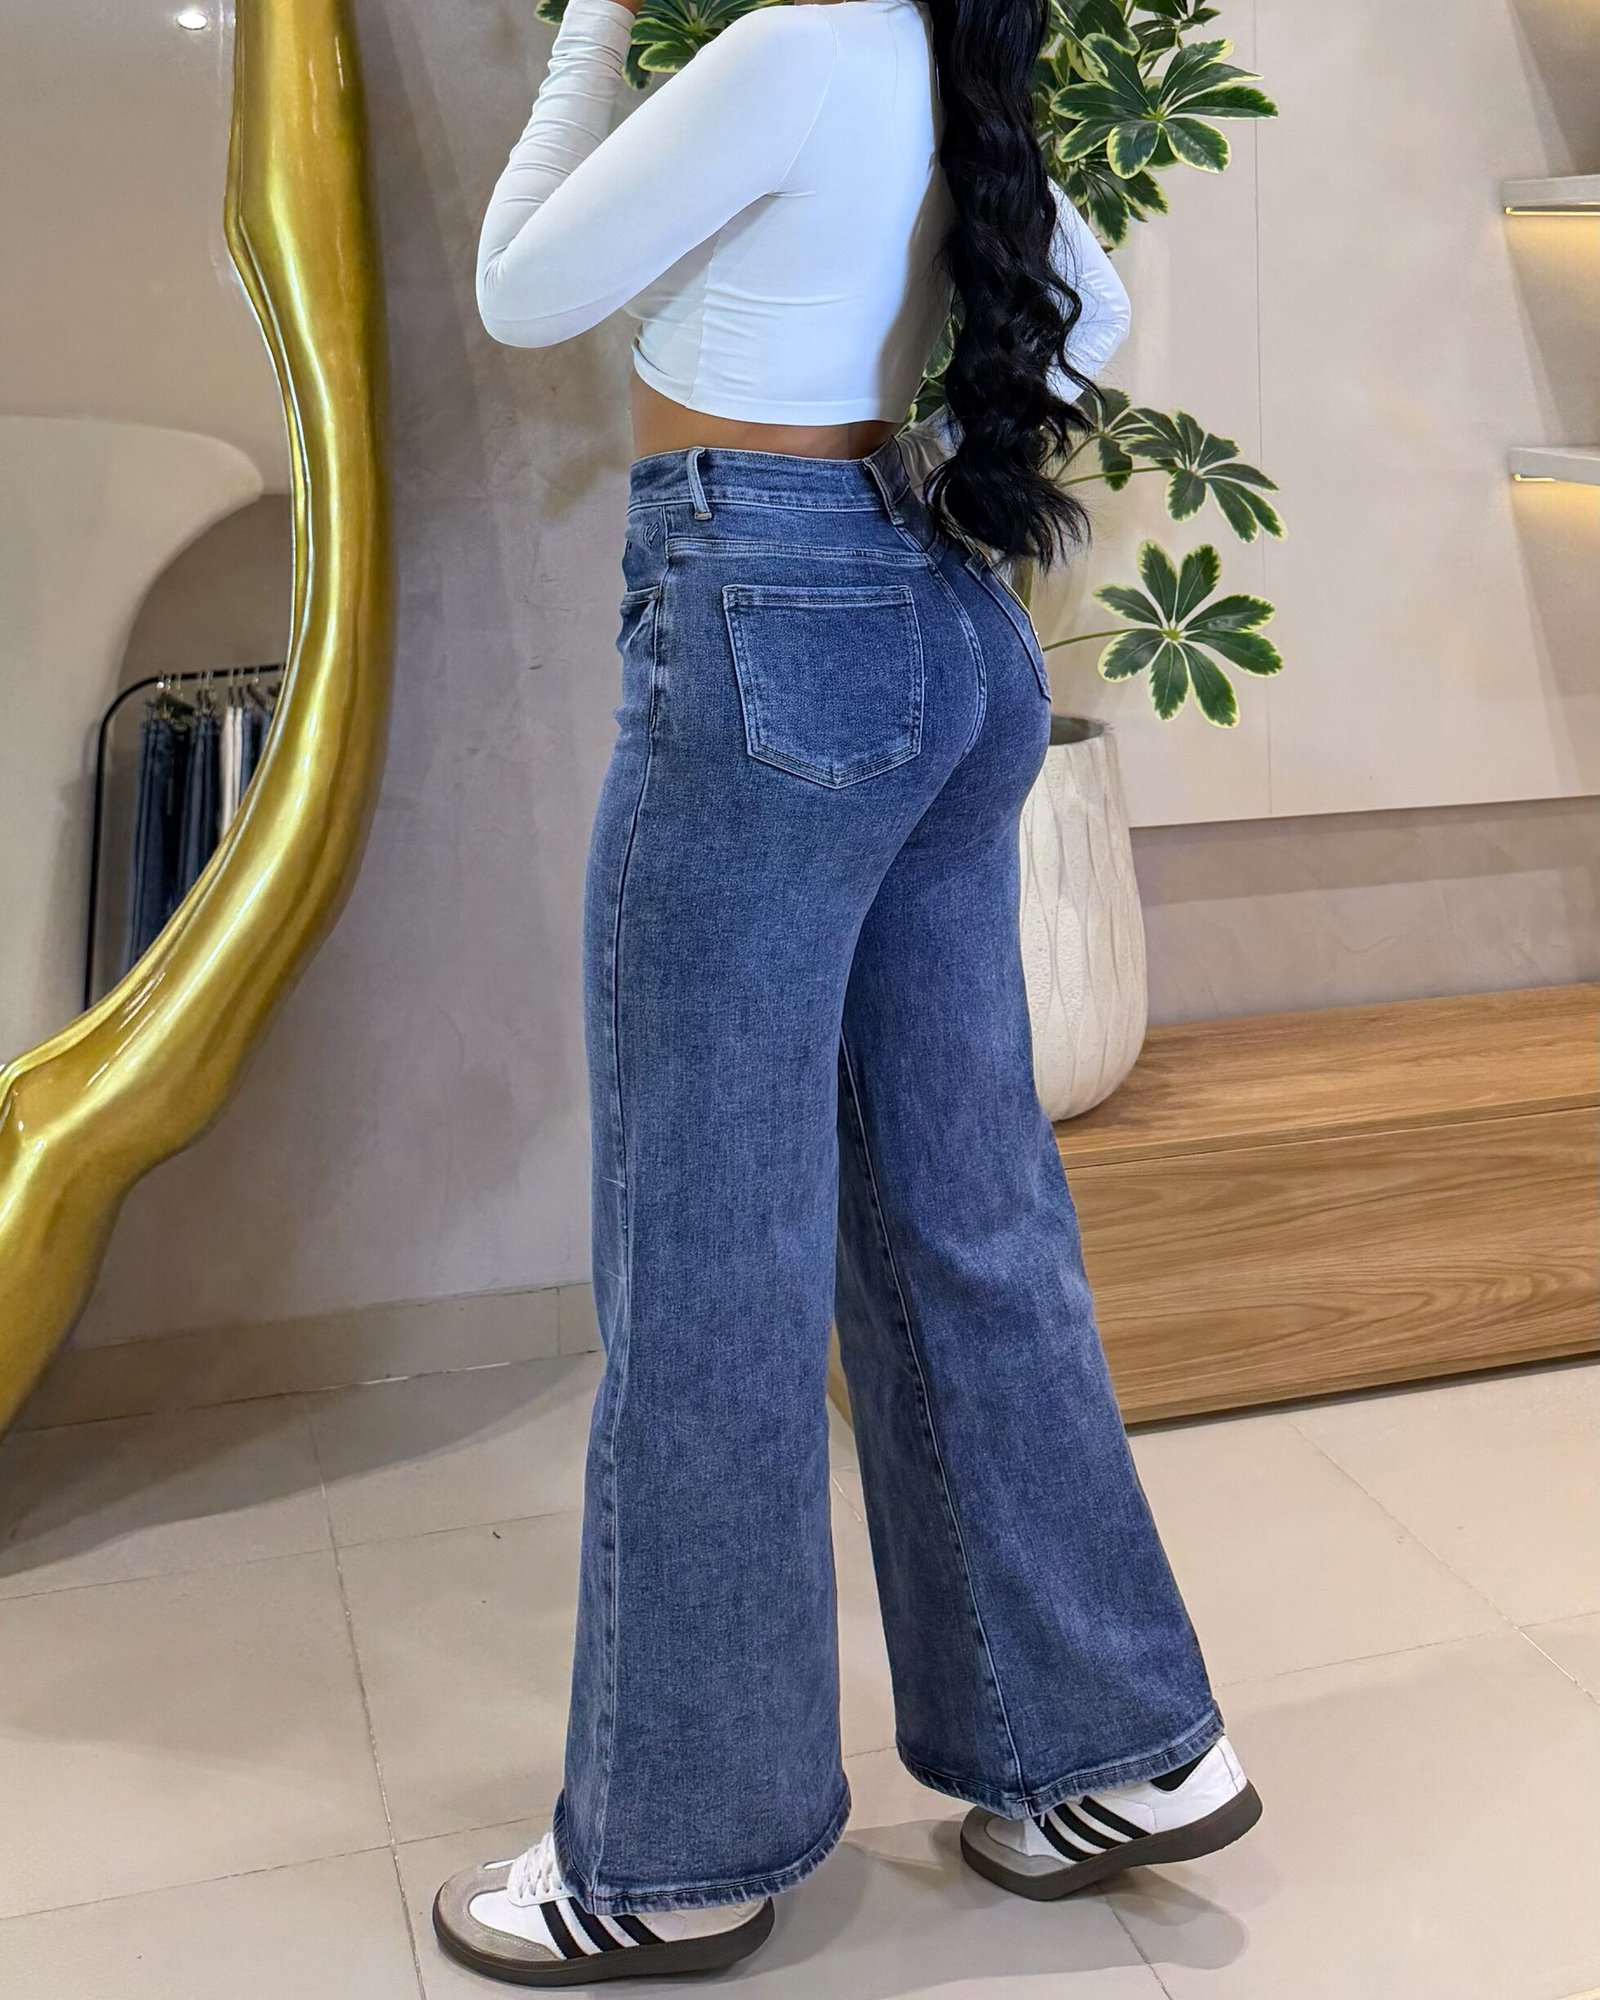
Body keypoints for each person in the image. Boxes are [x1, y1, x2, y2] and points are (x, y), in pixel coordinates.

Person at [433, 0, 1261, 1982]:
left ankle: (680, 1854)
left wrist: (594, 20)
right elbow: (1092, 311)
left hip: (763, 618)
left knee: (707, 1252)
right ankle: (1117, 1753)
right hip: (935, 609)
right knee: (964, 1212)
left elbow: (521, 289)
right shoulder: (926, 47)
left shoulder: (792, 45)